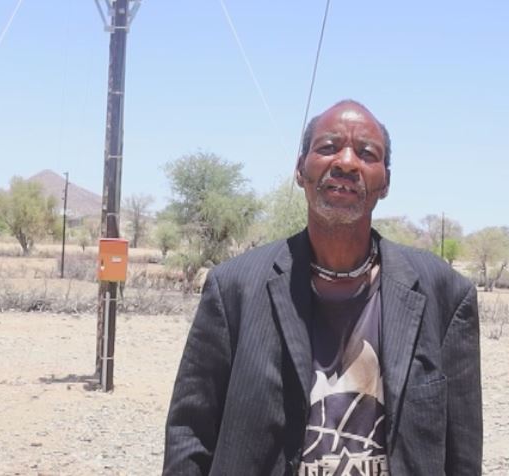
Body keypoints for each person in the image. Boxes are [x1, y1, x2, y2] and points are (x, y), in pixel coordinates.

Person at [164, 100, 482, 475]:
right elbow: (190, 433)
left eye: (367, 153)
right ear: (301, 169)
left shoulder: (443, 294)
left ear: (385, 182)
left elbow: (462, 453)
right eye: (328, 147)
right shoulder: (234, 289)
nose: (346, 162)